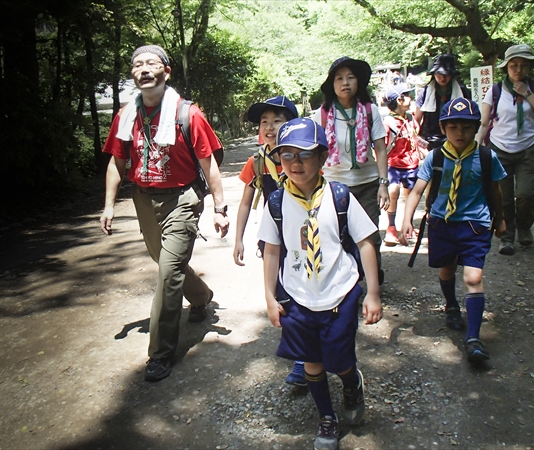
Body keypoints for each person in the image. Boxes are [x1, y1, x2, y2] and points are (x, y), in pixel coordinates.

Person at [99, 45, 229, 382]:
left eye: (151, 63)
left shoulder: (188, 114)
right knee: (165, 264)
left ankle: (160, 354)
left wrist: (219, 207)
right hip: (143, 199)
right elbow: (117, 162)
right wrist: (109, 205)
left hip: (182, 199)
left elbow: (208, 163)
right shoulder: (125, 115)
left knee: (167, 274)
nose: (143, 69)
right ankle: (201, 297)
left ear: (166, 71)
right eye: (137, 64)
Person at [258, 118, 383, 450]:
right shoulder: (277, 204)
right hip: (298, 298)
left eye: (305, 155)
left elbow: (366, 241)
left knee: (339, 361)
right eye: (287, 156)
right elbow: (271, 251)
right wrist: (270, 296)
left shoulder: (339, 196)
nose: (295, 163)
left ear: (323, 157)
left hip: (339, 294)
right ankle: (326, 416)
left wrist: (372, 292)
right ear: (278, 160)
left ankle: (350, 380)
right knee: (312, 361)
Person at [399, 98, 506, 363]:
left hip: (475, 226)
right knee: (447, 269)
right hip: (442, 225)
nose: (460, 133)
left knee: (472, 278)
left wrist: (501, 219)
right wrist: (406, 218)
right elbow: (418, 189)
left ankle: (473, 338)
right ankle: (452, 305)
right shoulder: (436, 157)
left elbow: (496, 190)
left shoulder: (485, 156)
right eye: (453, 127)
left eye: (467, 127)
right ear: (444, 128)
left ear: (475, 129)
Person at [232, 96, 306, 387]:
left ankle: (308, 355)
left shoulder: (303, 155)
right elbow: (246, 202)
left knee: (305, 293)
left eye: (278, 120)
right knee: (283, 296)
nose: (270, 127)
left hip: (305, 237)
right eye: (265, 122)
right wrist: (238, 238)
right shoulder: (257, 162)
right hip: (273, 241)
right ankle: (302, 356)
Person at [312, 56, 390, 284]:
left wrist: (383, 185)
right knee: (339, 237)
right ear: (332, 85)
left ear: (359, 82)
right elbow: (316, 152)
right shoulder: (323, 114)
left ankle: (374, 282)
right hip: (335, 187)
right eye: (339, 78)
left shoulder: (370, 110)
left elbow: (381, 150)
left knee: (370, 236)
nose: (345, 82)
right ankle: (349, 284)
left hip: (367, 183)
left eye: (350, 77)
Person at [475, 44, 534, 256]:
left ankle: (524, 226)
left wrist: (527, 93)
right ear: (506, 67)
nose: (518, 70)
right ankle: (506, 236)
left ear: (529, 68)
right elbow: (483, 123)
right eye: (514, 65)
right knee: (504, 197)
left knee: (526, 193)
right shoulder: (495, 90)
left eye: (523, 65)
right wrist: (475, 149)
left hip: (528, 148)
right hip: (499, 149)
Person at [381, 84, 423, 246]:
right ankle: (391, 227)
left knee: (411, 193)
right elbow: (382, 148)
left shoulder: (410, 118)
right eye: (407, 95)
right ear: (399, 100)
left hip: (411, 163)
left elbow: (415, 137)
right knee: (393, 191)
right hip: (394, 164)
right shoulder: (389, 122)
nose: (410, 98)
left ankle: (408, 225)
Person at [414, 54, 470, 150]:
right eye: (439, 74)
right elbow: (417, 118)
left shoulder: (462, 91)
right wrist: (416, 137)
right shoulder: (426, 91)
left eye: (446, 75)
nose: (442, 78)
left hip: (455, 136)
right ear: (434, 74)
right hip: (430, 138)